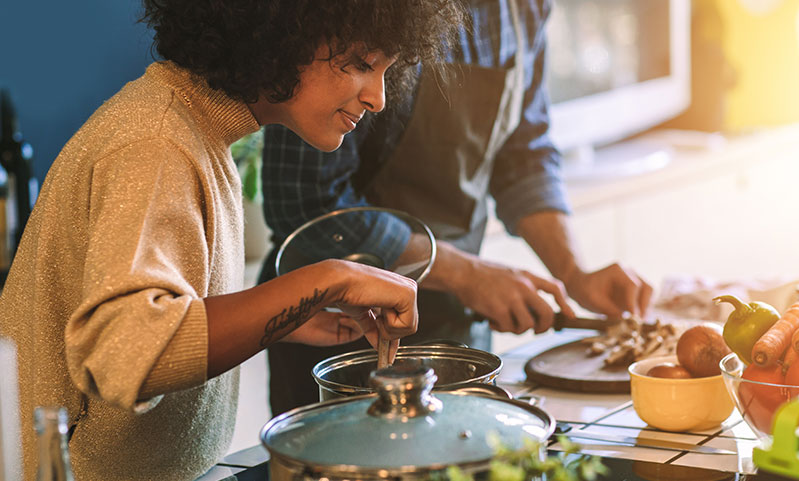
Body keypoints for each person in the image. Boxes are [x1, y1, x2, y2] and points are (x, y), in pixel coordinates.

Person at [0, 1, 464, 479]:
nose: (378, 98)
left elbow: (168, 304)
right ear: (285, 31)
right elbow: (126, 352)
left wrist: (280, 319)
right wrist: (330, 279)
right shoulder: (155, 141)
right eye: (364, 64)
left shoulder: (196, 129)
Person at [259, 0, 654, 414]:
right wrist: (466, 274)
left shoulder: (526, 9)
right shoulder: (360, 15)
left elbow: (524, 155)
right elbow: (307, 203)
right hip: (340, 339)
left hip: (456, 328)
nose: (376, 95)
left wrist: (574, 273)